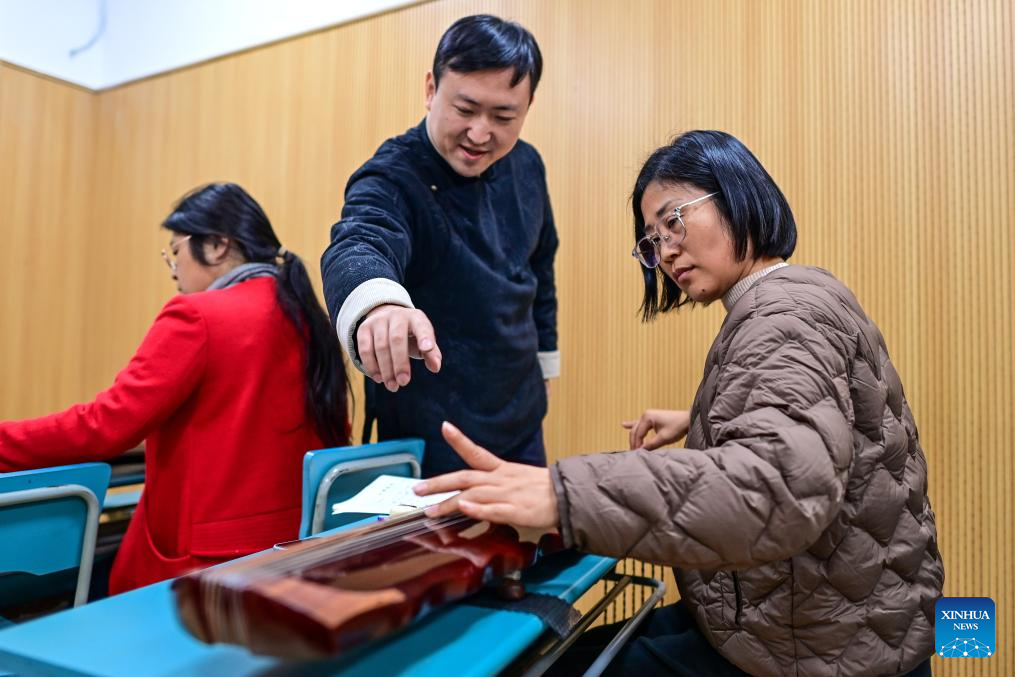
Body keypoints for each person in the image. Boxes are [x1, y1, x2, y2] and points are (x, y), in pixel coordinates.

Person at [416, 131, 945, 676]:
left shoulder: (782, 316)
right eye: (651, 240)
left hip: (814, 647)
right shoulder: (799, 295)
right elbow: (812, 424)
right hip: (819, 622)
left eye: (674, 221)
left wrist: (562, 494)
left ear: (738, 195)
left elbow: (778, 485)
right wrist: (701, 420)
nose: (665, 250)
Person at [0, 183, 349, 594]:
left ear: (218, 245)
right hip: (287, 556)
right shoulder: (307, 316)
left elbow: (106, 425)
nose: (173, 269)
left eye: (176, 250)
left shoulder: (198, 316)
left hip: (200, 572)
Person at [321, 14, 559, 477]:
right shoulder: (393, 174)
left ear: (528, 107)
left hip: (522, 413)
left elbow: (540, 270)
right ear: (431, 89)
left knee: (529, 550)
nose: (480, 133)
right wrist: (379, 305)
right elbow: (360, 239)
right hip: (431, 430)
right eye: (465, 109)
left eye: (504, 116)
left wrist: (545, 366)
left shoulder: (528, 164)